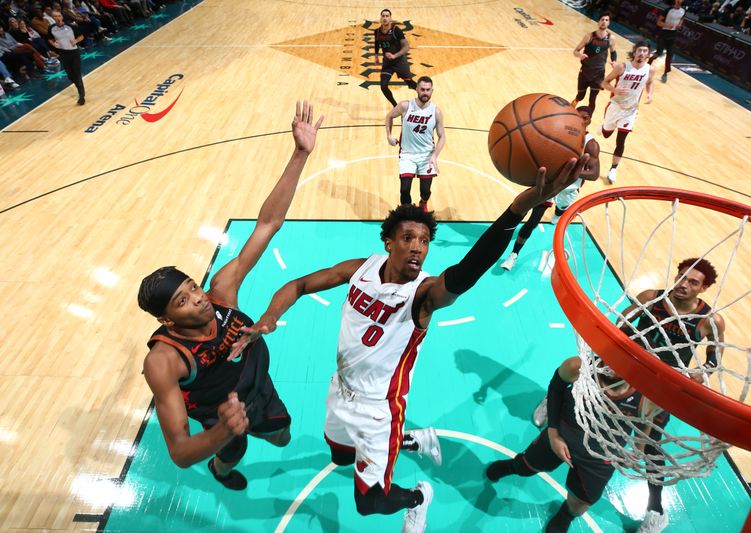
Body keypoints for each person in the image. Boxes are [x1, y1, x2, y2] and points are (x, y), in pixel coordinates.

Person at [231, 155, 589, 531]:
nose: (418, 247)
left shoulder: (425, 294)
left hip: (379, 408)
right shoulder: (362, 268)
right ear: (388, 243)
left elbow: (469, 271)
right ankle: (415, 440)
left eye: (424, 240)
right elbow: (298, 284)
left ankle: (419, 498)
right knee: (339, 457)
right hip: (340, 390)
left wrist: (517, 209)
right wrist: (269, 316)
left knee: (369, 504)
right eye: (408, 238)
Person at [137, 102, 323, 491]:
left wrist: (299, 154)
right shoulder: (164, 360)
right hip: (218, 411)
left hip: (257, 385)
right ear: (166, 321)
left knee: (282, 437)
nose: (198, 298)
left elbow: (268, 224)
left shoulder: (221, 290)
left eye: (192, 286)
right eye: (183, 301)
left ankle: (237, 441)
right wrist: (222, 429)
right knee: (231, 452)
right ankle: (221, 472)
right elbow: (181, 453)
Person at [487, 356, 668, 533]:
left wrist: (638, 450)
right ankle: (512, 466)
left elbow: (645, 424)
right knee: (525, 466)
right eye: (610, 355)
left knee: (580, 501)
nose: (610, 365)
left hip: (601, 455)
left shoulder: (647, 395)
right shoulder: (578, 367)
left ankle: (565, 515)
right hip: (564, 435)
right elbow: (556, 388)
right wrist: (553, 433)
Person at [616, 257, 726, 533]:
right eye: (682, 276)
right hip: (630, 367)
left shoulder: (709, 320)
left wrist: (704, 372)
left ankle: (656, 510)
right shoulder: (652, 298)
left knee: (651, 447)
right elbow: (623, 323)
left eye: (693, 282)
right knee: (588, 382)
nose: (684, 284)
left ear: (703, 288)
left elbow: (715, 356)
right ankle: (556, 404)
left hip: (662, 384)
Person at [500, 106, 600, 271]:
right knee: (532, 221)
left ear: (590, 121)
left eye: (585, 118)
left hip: (569, 188)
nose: (582, 121)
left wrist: (570, 171)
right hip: (552, 185)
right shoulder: (561, 134)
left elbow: (595, 174)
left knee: (561, 211)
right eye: (578, 116)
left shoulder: (591, 145)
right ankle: (514, 254)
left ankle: (558, 213)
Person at [385, 76, 445, 212]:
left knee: (425, 191)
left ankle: (423, 202)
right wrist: (389, 136)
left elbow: (442, 137)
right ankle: (407, 213)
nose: (425, 92)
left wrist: (435, 156)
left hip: (426, 156)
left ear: (432, 91)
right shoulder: (405, 106)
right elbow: (389, 116)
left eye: (428, 90)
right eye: (422, 89)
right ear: (416, 89)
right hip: (407, 154)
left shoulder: (436, 112)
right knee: (404, 189)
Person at [600, 41, 655, 183]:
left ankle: (613, 169)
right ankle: (603, 127)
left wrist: (650, 94)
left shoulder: (650, 69)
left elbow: (649, 82)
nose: (642, 53)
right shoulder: (622, 67)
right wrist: (614, 90)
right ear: (635, 52)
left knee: (621, 140)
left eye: (645, 51)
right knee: (606, 134)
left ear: (648, 55)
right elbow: (604, 82)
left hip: (631, 110)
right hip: (615, 106)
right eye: (639, 50)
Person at [570, 12, 617, 116]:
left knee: (592, 99)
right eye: (602, 19)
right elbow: (576, 51)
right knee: (580, 96)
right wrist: (580, 55)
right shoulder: (589, 36)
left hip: (598, 74)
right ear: (598, 22)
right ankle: (572, 106)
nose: (604, 22)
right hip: (585, 72)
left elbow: (613, 52)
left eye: (606, 20)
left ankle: (588, 120)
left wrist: (614, 61)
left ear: (609, 23)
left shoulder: (611, 38)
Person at [374, 8, 417, 107]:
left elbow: (406, 47)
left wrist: (395, 55)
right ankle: (395, 106)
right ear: (380, 18)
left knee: (410, 83)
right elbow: (376, 43)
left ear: (390, 18)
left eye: (387, 16)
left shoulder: (396, 30)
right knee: (383, 86)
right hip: (387, 63)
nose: (385, 18)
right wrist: (376, 56)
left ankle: (424, 96)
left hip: (399, 62)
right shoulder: (376, 31)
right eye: (383, 16)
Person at [47, 11, 86, 105]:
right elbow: (49, 39)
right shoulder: (51, 28)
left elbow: (82, 36)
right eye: (55, 16)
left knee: (76, 73)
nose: (57, 18)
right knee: (70, 75)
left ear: (62, 17)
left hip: (74, 52)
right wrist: (53, 44)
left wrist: (76, 41)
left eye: (59, 16)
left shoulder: (70, 26)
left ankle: (81, 96)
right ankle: (78, 86)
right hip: (63, 53)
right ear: (53, 18)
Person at [648, 0, 686, 83]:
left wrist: (680, 24)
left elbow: (682, 19)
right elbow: (658, 22)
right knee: (658, 53)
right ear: (675, 1)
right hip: (664, 34)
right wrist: (668, 25)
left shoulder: (683, 11)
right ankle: (648, 65)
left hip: (673, 35)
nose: (680, 1)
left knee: (670, 55)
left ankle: (665, 73)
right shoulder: (668, 10)